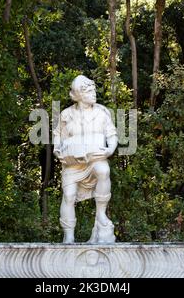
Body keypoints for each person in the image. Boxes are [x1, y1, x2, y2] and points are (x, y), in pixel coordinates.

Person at [53, 75, 118, 243]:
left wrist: (109, 150)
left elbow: (112, 135)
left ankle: (101, 215)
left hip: (95, 158)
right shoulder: (66, 114)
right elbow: (58, 136)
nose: (94, 94)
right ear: (79, 95)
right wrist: (57, 149)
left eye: (94, 90)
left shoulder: (102, 112)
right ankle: (68, 236)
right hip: (73, 163)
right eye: (89, 91)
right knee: (69, 195)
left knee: (103, 170)